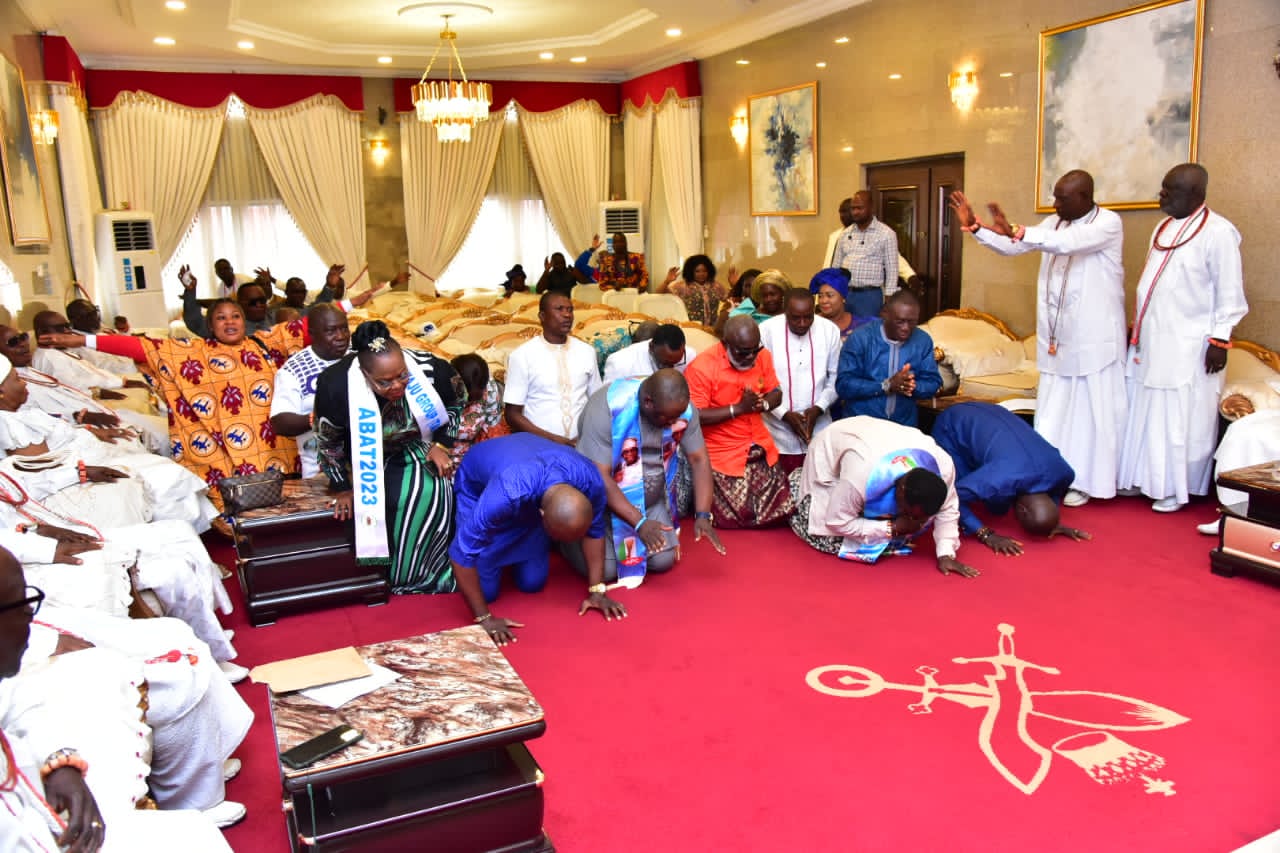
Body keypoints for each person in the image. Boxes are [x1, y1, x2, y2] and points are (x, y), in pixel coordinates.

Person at [950, 170, 1127, 508]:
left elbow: (1069, 243)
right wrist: (977, 228)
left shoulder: (1107, 223)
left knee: (1089, 415)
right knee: (1054, 412)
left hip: (1094, 340)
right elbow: (1015, 246)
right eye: (1055, 196)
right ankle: (1048, 476)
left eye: (1062, 198)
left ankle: (1088, 481)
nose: (1055, 203)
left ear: (1085, 197)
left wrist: (1018, 230)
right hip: (1058, 340)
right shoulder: (1054, 223)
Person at [38, 286, 306, 508]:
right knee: (239, 509)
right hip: (223, 451)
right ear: (210, 326)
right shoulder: (190, 351)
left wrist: (338, 297)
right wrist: (80, 341)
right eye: (221, 318)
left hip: (272, 446)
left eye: (235, 316)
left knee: (288, 504)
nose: (230, 322)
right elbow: (139, 347)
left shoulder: (264, 343)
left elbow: (306, 326)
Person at [1118, 163, 1248, 512]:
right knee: (1147, 408)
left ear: (1195, 194)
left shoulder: (1219, 232)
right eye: (1162, 187)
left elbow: (1230, 293)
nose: (1161, 195)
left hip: (1192, 345)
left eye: (1169, 189)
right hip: (1153, 340)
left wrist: (1220, 340)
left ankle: (1176, 488)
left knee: (1181, 418)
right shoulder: (1162, 228)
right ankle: (1144, 479)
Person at [313, 321, 461, 594]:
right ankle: (382, 577)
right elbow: (328, 440)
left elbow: (456, 401)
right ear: (365, 374)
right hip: (364, 456)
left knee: (435, 488)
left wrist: (441, 444)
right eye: (384, 382)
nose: (396, 386)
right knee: (380, 502)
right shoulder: (336, 385)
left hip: (416, 445)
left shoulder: (429, 368)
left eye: (402, 376)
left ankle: (429, 572)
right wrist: (342, 487)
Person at [449, 433, 618, 646]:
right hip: (480, 486)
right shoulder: (506, 492)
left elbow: (595, 532)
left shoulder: (590, 480)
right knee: (486, 593)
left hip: (529, 475)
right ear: (542, 515)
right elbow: (461, 553)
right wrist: (484, 618)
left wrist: (597, 590)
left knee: (532, 582)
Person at [572, 369, 724, 588]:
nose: (674, 423)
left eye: (677, 417)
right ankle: (566, 540)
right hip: (604, 505)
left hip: (651, 504)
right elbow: (598, 476)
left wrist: (703, 514)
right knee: (607, 570)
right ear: (648, 402)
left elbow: (698, 459)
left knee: (663, 560)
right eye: (667, 418)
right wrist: (639, 522)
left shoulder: (681, 410)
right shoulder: (607, 408)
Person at [792, 416, 979, 577]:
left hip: (878, 441)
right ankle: (795, 482)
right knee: (827, 539)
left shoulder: (943, 469)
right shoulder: (861, 473)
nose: (913, 520)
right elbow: (837, 521)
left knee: (885, 537)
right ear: (901, 491)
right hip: (833, 447)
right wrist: (891, 527)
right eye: (909, 513)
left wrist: (946, 553)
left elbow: (948, 509)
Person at [932, 401, 1090, 555]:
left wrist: (1050, 522)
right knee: (960, 483)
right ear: (1022, 510)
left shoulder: (1064, 472)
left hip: (992, 412)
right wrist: (984, 533)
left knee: (995, 507)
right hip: (952, 423)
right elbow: (951, 495)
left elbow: (1055, 492)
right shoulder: (996, 481)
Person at [684, 315, 794, 528]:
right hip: (722, 452)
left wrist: (764, 404)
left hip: (759, 444)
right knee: (733, 518)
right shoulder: (702, 367)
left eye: (755, 350)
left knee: (782, 512)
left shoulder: (762, 356)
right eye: (743, 352)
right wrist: (738, 409)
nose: (751, 357)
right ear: (725, 344)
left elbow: (776, 392)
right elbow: (694, 416)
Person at [1, 323, 169, 456]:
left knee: (160, 431)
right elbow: (42, 425)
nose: (23, 343)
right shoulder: (12, 385)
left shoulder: (25, 371)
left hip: (89, 416)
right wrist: (82, 421)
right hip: (76, 438)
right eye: (13, 342)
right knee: (147, 441)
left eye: (23, 337)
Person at [759, 287, 841, 471]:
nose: (803, 323)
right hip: (777, 433)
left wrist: (818, 408)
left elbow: (836, 377)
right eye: (795, 318)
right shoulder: (765, 331)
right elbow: (758, 381)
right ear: (785, 312)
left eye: (808, 317)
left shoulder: (830, 331)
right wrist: (784, 414)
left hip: (820, 427)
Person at [503, 291, 602, 445]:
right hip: (539, 446)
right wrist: (556, 441)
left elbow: (598, 402)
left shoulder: (587, 352)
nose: (567, 315)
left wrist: (587, 436)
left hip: (583, 444)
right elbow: (512, 415)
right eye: (559, 309)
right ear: (542, 316)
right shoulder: (522, 356)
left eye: (570, 310)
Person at [836, 289, 941, 427]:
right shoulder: (861, 338)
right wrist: (886, 385)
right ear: (885, 314)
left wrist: (910, 386)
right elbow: (844, 385)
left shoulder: (922, 341)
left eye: (912, 322)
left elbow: (933, 382)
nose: (906, 328)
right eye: (900, 321)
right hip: (861, 425)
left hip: (903, 426)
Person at [269, 304, 351, 479]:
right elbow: (280, 422)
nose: (341, 336)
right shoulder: (294, 370)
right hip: (320, 472)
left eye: (344, 328)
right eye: (331, 331)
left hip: (365, 467)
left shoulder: (358, 358)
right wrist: (321, 418)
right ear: (312, 334)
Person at [830, 191, 899, 318]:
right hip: (846, 294)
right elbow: (836, 267)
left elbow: (892, 270)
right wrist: (832, 292)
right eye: (853, 208)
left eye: (860, 208)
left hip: (870, 296)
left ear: (872, 208)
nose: (855, 212)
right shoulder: (845, 234)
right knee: (844, 329)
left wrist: (889, 302)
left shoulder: (886, 234)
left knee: (867, 329)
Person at [449, 353, 504, 468]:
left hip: (471, 452)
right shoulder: (439, 388)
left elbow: (491, 429)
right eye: (466, 397)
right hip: (437, 451)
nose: (468, 402)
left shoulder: (490, 389)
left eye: (475, 398)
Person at [184, 276, 275, 338]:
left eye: (262, 301)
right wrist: (190, 292)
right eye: (253, 302)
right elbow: (195, 322)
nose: (259, 305)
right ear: (240, 304)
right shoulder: (228, 326)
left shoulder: (275, 319)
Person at [603, 323, 696, 382]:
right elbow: (608, 400)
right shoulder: (620, 363)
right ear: (651, 347)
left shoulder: (690, 357)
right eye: (664, 364)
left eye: (677, 362)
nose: (670, 369)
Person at [662, 254, 730, 326]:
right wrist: (666, 282)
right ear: (691, 272)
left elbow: (729, 299)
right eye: (697, 271)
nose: (701, 274)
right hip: (691, 327)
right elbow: (660, 293)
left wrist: (734, 285)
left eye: (705, 271)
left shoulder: (715, 285)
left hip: (712, 328)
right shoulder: (683, 286)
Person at [575, 233, 648, 291]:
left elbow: (644, 275)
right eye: (615, 242)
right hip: (613, 297)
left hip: (634, 295)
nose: (618, 244)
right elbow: (579, 264)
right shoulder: (604, 263)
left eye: (621, 242)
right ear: (612, 245)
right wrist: (592, 249)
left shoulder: (636, 257)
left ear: (626, 243)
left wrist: (642, 285)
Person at [810, 267, 860, 343]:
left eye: (830, 295)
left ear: (843, 298)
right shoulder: (811, 324)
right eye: (820, 296)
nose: (823, 301)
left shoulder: (860, 325)